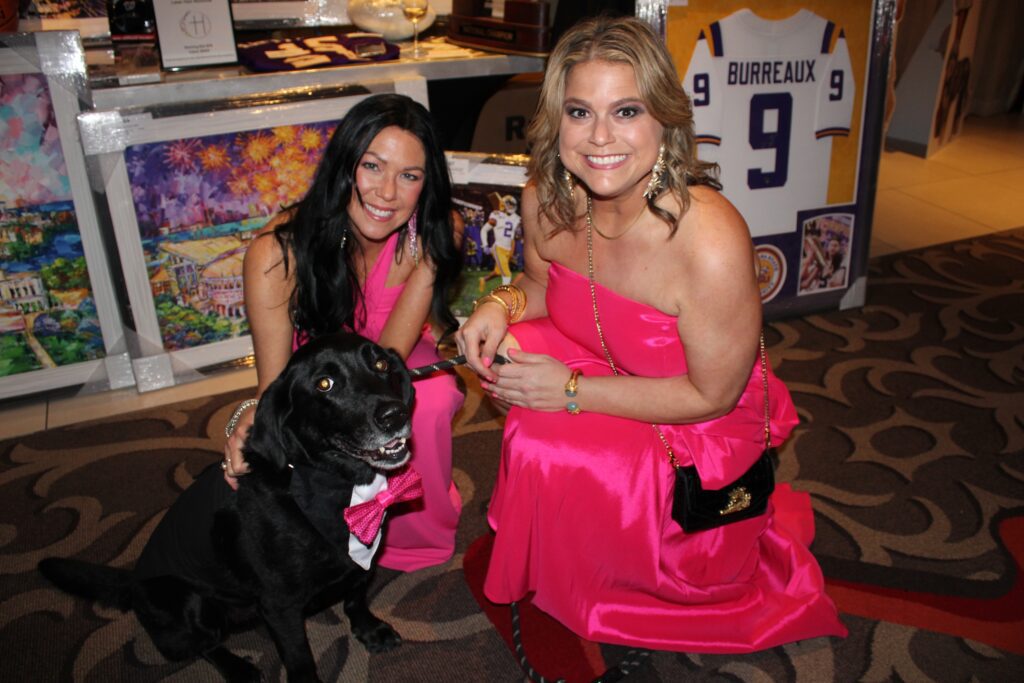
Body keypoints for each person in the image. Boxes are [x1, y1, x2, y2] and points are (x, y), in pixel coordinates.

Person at [455, 16, 847, 653]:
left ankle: (628, 570)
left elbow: (713, 396)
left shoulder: (708, 237)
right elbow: (540, 282)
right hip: (608, 358)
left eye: (626, 110)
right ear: (555, 121)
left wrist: (571, 391)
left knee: (543, 431)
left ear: (665, 118)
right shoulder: (547, 197)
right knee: (515, 362)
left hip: (698, 418)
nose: (600, 137)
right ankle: (578, 543)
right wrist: (499, 306)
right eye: (579, 112)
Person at [223, 93, 465, 572]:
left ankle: (411, 533)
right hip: (323, 371)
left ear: (426, 183)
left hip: (382, 358)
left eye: (409, 176)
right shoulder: (276, 253)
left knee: (431, 398)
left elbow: (390, 355)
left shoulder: (437, 230)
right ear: (343, 166)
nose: (387, 193)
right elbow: (275, 384)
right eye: (372, 167)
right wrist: (245, 421)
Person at [478, 194, 522, 292]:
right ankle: (504, 295)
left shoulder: (517, 218)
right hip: (498, 248)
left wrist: (512, 252)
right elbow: (484, 230)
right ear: (503, 204)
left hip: (508, 249)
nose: (511, 207)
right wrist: (485, 245)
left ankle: (483, 279)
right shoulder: (497, 215)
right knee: (507, 274)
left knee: (498, 272)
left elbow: (514, 237)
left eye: (512, 204)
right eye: (509, 204)